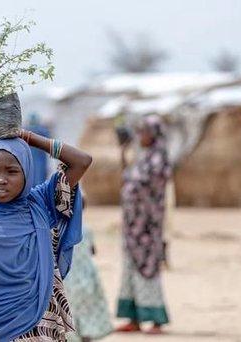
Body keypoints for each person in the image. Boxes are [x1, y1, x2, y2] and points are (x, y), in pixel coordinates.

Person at [0, 129, 92, 341]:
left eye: (11, 171)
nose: (1, 180)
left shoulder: (41, 203)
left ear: (27, 171)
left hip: (37, 321)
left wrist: (29, 138)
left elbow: (82, 161)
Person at [115, 115, 171, 334]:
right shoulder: (144, 156)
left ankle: (156, 320)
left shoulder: (159, 159)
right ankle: (134, 318)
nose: (141, 136)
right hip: (132, 226)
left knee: (148, 270)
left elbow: (146, 186)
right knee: (131, 269)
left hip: (147, 227)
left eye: (145, 132)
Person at [65, 196, 112, 342]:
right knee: (87, 311)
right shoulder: (86, 229)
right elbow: (93, 251)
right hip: (87, 277)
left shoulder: (59, 230)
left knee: (71, 310)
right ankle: (87, 335)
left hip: (68, 279)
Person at [25, 112, 51, 187]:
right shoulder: (42, 131)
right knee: (40, 178)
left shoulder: (26, 131)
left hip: (31, 160)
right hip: (40, 160)